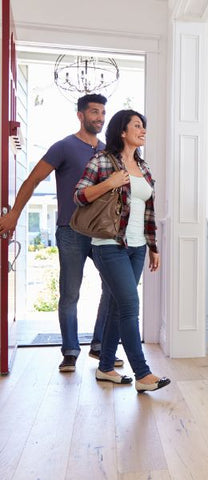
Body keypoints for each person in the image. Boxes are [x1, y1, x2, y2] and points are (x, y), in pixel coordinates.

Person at [0, 93, 123, 372]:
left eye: (103, 113)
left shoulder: (107, 152)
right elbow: (33, 179)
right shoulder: (63, 147)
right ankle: (69, 350)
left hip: (103, 233)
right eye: (94, 112)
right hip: (70, 230)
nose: (100, 118)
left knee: (113, 288)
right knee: (70, 293)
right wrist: (15, 214)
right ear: (80, 115)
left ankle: (100, 346)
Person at [73, 109, 170, 392]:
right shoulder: (102, 161)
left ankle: (105, 368)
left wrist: (153, 247)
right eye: (137, 126)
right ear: (122, 131)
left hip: (138, 247)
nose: (143, 131)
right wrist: (109, 182)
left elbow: (149, 211)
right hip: (109, 246)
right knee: (130, 307)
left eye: (144, 126)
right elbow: (78, 195)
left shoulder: (145, 167)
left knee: (117, 307)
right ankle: (142, 374)